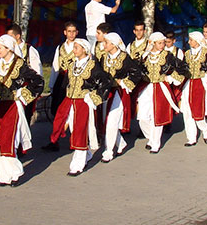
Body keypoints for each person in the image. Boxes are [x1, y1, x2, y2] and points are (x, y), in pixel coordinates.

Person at [44, 39, 110, 175]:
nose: (74, 50)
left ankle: (77, 165)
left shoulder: (93, 65)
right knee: (73, 130)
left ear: (84, 50)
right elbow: (66, 83)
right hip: (70, 101)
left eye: (76, 47)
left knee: (80, 131)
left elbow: (105, 83)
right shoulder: (73, 64)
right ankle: (85, 154)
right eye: (74, 47)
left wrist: (93, 97)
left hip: (83, 103)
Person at [0, 35, 44, 186]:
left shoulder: (20, 65)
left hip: (13, 106)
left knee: (8, 139)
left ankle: (15, 172)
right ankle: (4, 177)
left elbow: (38, 82)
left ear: (9, 48)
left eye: (0, 47)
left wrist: (22, 94)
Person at [137, 32, 189, 153]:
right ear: (153, 43)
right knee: (142, 117)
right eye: (160, 43)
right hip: (147, 86)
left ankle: (155, 143)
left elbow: (183, 67)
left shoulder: (168, 56)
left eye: (163, 43)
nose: (162, 45)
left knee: (157, 116)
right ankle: (150, 137)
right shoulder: (145, 55)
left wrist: (170, 78)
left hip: (160, 87)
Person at [98, 32, 142, 162]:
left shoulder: (124, 58)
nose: (103, 45)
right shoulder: (103, 57)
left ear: (113, 44)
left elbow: (136, 73)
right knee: (107, 120)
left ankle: (109, 151)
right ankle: (121, 143)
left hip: (118, 93)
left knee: (112, 121)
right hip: (107, 93)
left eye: (106, 42)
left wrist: (123, 82)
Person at [181, 31, 207, 146]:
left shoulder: (206, 53)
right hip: (189, 84)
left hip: (200, 84)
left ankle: (205, 131)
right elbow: (183, 67)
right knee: (187, 111)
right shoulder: (187, 54)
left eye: (191, 40)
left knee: (198, 110)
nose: (189, 42)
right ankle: (191, 138)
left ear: (197, 41)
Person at [48, 21, 78, 117]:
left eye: (73, 31)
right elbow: (55, 65)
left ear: (77, 32)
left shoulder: (81, 46)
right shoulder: (60, 47)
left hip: (75, 79)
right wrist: (52, 84)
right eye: (69, 31)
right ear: (65, 32)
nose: (71, 34)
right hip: (61, 79)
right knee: (59, 105)